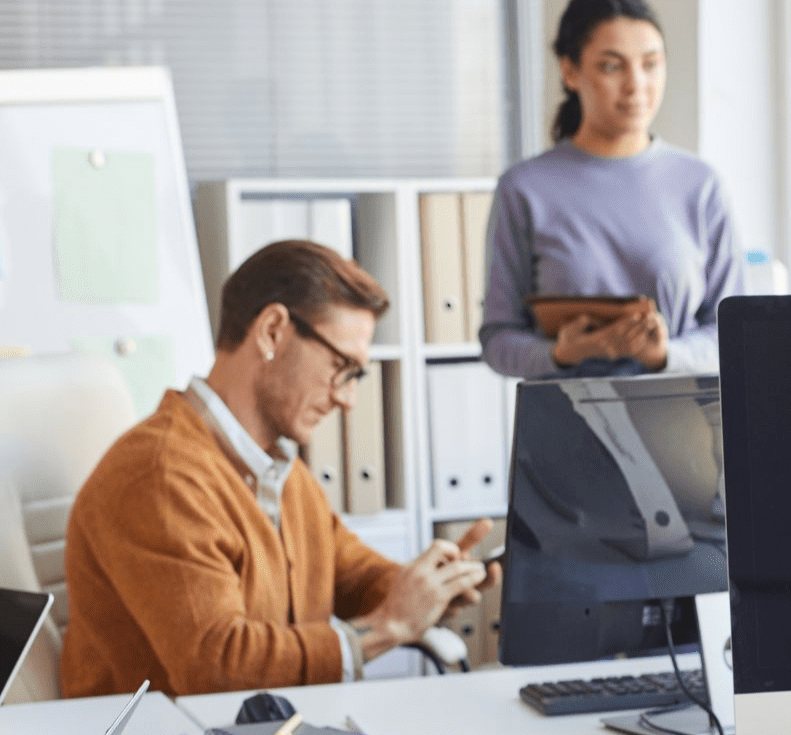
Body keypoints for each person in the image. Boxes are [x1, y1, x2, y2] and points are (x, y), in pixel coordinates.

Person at [61, 241, 500, 697]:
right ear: (272, 331)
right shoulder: (161, 476)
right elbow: (218, 665)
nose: (347, 399)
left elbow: (352, 575)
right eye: (341, 367)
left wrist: (433, 586)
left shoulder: (279, 471)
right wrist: (389, 626)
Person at [480, 0, 743, 379]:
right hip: (562, 424)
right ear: (570, 71)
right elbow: (497, 340)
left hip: (678, 423)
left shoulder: (701, 186)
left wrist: (666, 353)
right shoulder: (523, 189)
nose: (636, 84)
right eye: (611, 66)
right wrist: (561, 353)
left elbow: (733, 334)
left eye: (650, 64)